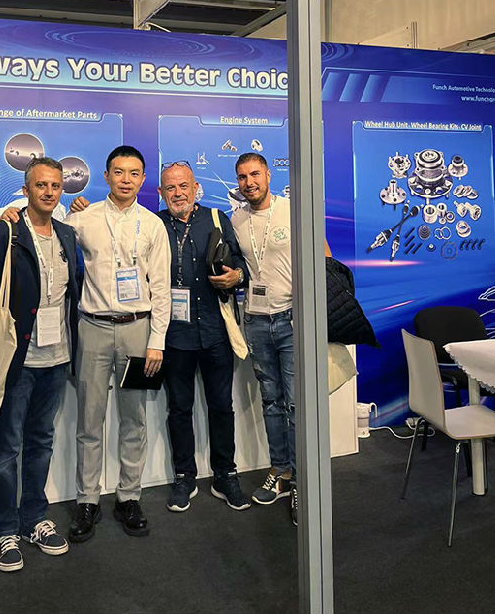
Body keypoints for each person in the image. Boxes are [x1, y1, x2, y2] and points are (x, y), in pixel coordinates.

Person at [0, 157, 79, 572]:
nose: (49, 192)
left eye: (55, 185)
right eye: (41, 185)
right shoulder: (3, 232)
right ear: (26, 190)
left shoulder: (66, 234)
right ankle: (5, 529)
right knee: (7, 447)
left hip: (57, 357)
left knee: (42, 441)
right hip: (17, 359)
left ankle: (34, 519)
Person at [66, 145, 170, 541]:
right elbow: (43, 233)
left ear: (143, 180)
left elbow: (161, 288)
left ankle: (129, 496)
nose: (126, 180)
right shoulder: (83, 219)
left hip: (137, 331)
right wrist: (12, 214)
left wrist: (157, 341)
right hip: (92, 329)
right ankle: (87, 500)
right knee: (89, 420)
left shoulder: (153, 225)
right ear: (106, 175)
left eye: (134, 173)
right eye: (119, 172)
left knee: (134, 419)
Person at [231, 152, 331, 526]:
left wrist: (319, 312)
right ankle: (281, 471)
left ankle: (303, 481)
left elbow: (324, 257)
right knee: (271, 402)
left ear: (269, 174)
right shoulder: (236, 219)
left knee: (295, 404)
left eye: (255, 174)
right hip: (256, 321)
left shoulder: (294, 210)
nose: (249, 182)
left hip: (292, 320)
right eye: (242, 177)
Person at [157, 161, 251, 513]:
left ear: (195, 188)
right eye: (170, 188)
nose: (178, 193)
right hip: (173, 335)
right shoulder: (154, 224)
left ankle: (225, 474)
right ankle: (185, 476)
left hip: (215, 331)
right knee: (179, 409)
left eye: (184, 186)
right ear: (161, 192)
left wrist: (236, 276)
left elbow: (241, 264)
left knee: (221, 406)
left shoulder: (216, 219)